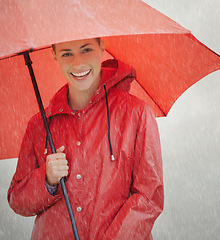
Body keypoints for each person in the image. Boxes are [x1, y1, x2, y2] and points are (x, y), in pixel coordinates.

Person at [8, 38, 164, 240]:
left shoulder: (137, 114)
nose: (78, 63)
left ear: (101, 48)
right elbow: (17, 200)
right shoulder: (39, 125)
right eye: (66, 53)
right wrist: (46, 180)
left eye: (86, 49)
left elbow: (149, 196)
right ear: (54, 54)